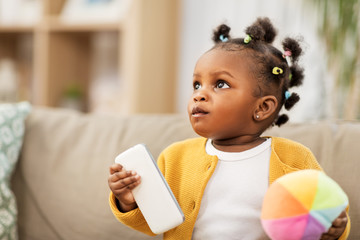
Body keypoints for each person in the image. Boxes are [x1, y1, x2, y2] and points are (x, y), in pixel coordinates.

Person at [108, 17, 350, 239]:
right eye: (196, 84)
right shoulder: (174, 158)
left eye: (220, 84)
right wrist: (128, 202)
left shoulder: (295, 158)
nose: (199, 95)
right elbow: (155, 223)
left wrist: (334, 229)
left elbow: (328, 209)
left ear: (263, 107)